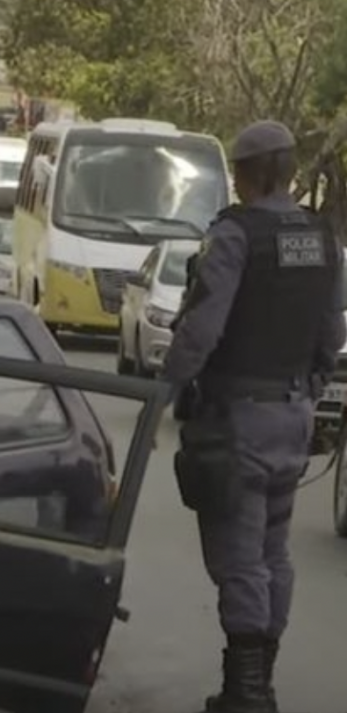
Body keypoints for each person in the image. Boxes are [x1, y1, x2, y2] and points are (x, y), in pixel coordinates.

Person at [162, 119, 346, 713]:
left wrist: (165, 386)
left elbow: (202, 329)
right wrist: (308, 390)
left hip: (237, 423)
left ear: (245, 175)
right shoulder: (322, 238)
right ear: (288, 172)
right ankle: (258, 681)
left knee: (240, 558)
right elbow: (332, 333)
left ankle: (246, 694)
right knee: (273, 552)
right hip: (292, 418)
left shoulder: (235, 236)